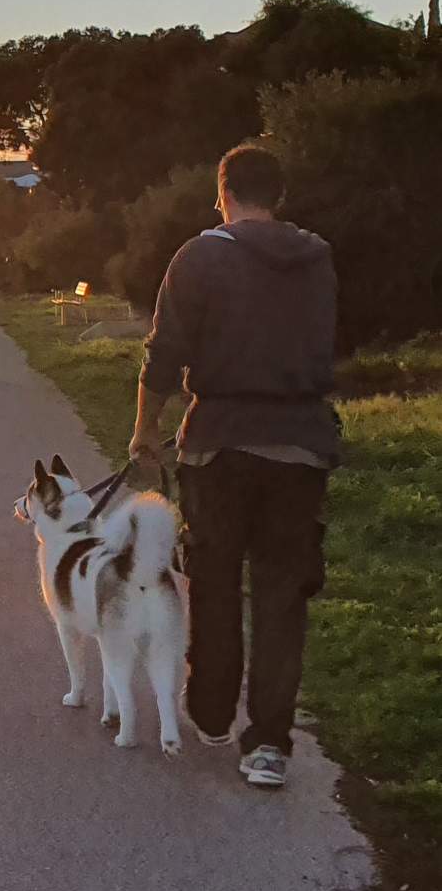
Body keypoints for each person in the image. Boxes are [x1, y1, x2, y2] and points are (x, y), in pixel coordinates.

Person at [129, 145, 337, 791]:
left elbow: (163, 355)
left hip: (217, 442)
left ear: (223, 192)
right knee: (282, 595)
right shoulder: (318, 257)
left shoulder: (200, 256)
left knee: (214, 581)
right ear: (279, 193)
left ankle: (213, 711)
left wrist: (146, 434)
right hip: (300, 446)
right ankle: (270, 744)